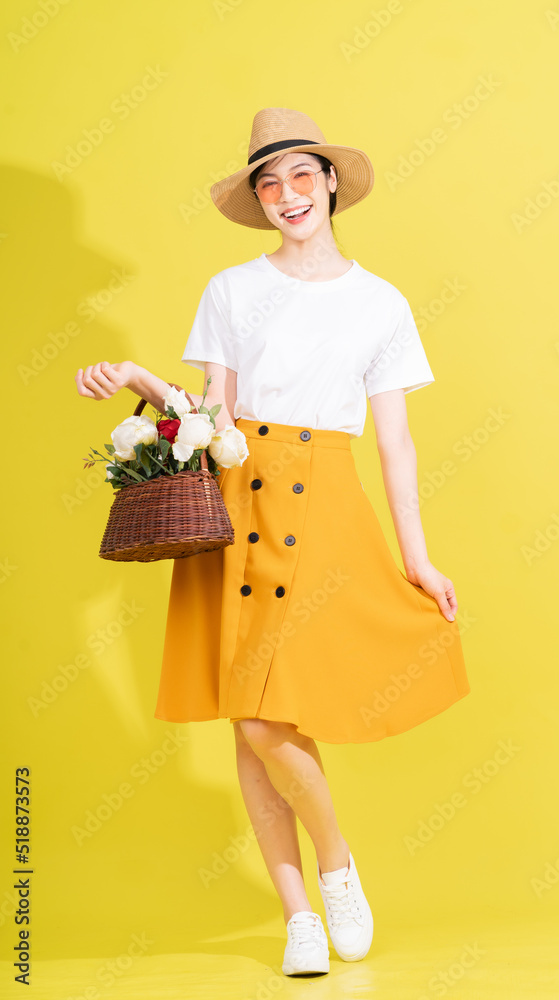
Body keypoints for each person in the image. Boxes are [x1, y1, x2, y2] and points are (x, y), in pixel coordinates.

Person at [75, 107, 471, 978]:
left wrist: (417, 555)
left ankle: (330, 865)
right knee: (249, 713)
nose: (286, 195)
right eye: (268, 182)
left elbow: (395, 442)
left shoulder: (381, 303)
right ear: (257, 199)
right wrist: (141, 381)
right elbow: (208, 414)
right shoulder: (231, 289)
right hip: (235, 496)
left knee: (267, 712)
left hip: (325, 501)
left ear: (330, 182)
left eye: (300, 176)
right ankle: (303, 909)